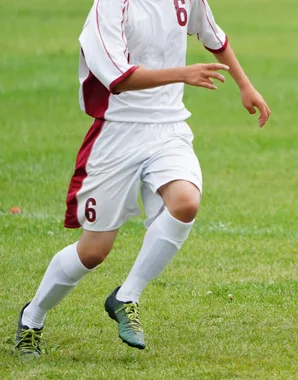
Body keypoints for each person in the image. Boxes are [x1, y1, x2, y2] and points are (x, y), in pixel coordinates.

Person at [15, 0, 270, 358]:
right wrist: (182, 73)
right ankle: (32, 318)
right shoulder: (111, 6)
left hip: (168, 128)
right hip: (116, 133)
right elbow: (118, 80)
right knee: (93, 251)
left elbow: (214, 36)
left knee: (186, 202)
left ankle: (126, 296)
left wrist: (246, 85)